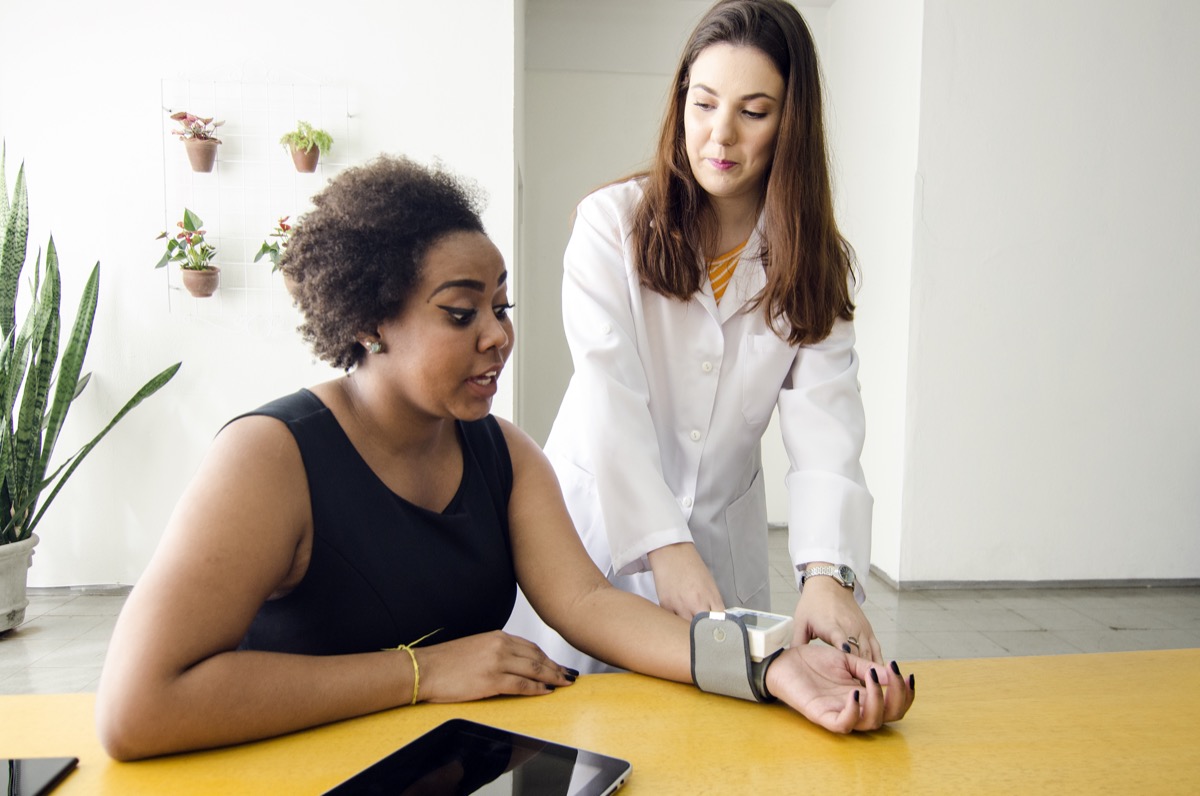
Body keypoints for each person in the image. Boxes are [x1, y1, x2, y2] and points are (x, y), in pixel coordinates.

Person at [95, 155, 913, 762]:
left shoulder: (503, 456)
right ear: (372, 320)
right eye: (461, 313)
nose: (499, 335)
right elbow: (136, 709)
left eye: (501, 304)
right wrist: (421, 673)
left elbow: (593, 605)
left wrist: (773, 667)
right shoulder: (269, 459)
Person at [505, 0, 885, 672]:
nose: (721, 134)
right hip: (597, 536)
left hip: (717, 543)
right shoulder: (610, 226)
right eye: (704, 103)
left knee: (705, 750)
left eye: (754, 111)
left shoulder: (814, 261)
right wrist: (663, 544)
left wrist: (828, 574)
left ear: (791, 124)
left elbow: (828, 430)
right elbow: (608, 396)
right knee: (568, 743)